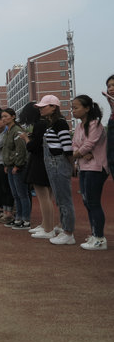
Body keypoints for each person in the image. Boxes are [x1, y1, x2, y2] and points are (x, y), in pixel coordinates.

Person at [36, 95, 76, 245]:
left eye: (44, 106)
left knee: (64, 200)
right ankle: (63, 227)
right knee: (60, 199)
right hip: (53, 165)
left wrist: (72, 166)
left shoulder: (60, 123)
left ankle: (68, 232)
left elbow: (67, 147)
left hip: (59, 164)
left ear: (54, 107)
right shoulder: (52, 124)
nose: (41, 109)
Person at [71, 95, 108, 250]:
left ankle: (100, 238)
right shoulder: (79, 127)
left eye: (76, 107)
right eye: (72, 108)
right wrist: (79, 152)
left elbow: (89, 144)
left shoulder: (96, 124)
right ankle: (94, 234)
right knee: (87, 202)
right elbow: (74, 145)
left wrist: (77, 153)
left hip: (96, 167)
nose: (73, 111)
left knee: (93, 202)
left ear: (87, 108)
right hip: (84, 167)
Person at [18, 103, 56, 239]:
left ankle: (48, 229)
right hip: (46, 162)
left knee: (44, 198)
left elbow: (34, 146)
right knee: (47, 197)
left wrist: (26, 138)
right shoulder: (46, 123)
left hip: (39, 163)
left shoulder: (40, 124)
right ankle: (46, 225)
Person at [1, 108, 31, 230]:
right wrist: (6, 164)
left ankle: (26, 220)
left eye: (6, 116)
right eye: (2, 116)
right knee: (15, 194)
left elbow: (21, 149)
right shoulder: (8, 132)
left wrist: (17, 165)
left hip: (18, 167)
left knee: (22, 194)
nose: (3, 118)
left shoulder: (17, 131)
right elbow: (7, 150)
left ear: (13, 116)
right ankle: (18, 218)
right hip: (10, 166)